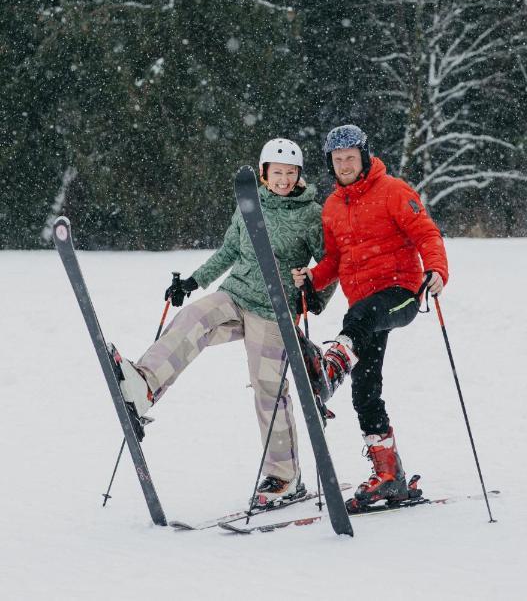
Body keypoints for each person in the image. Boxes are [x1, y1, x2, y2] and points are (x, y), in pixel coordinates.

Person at [110, 138, 333, 508]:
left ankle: (285, 477)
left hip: (274, 311)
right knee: (195, 316)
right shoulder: (250, 204)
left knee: (267, 388)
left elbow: (329, 265)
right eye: (276, 172)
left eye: (290, 173)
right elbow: (229, 250)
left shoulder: (310, 214)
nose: (283, 179)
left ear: (299, 176)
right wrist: (193, 282)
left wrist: (314, 291)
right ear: (263, 175)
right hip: (236, 294)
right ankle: (144, 386)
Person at [292, 124, 448, 511]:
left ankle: (330, 369)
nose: (344, 164)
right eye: (337, 159)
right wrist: (313, 276)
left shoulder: (394, 191)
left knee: (360, 316)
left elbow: (427, 234)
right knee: (365, 390)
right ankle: (389, 475)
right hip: (361, 312)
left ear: (364, 157)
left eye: (350, 157)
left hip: (400, 294)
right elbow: (335, 261)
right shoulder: (332, 207)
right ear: (330, 163)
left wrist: (437, 270)